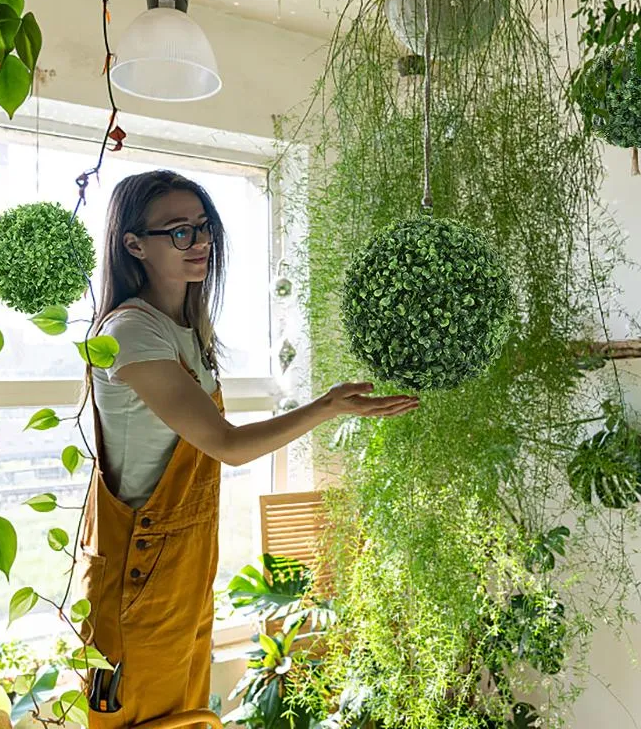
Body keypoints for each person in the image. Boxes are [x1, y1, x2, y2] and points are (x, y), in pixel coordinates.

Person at [77, 169, 419, 729]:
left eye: (204, 227)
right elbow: (226, 446)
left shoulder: (186, 328)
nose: (200, 242)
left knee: (185, 715)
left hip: (183, 566)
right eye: (178, 231)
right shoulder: (133, 332)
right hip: (137, 570)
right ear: (134, 244)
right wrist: (328, 406)